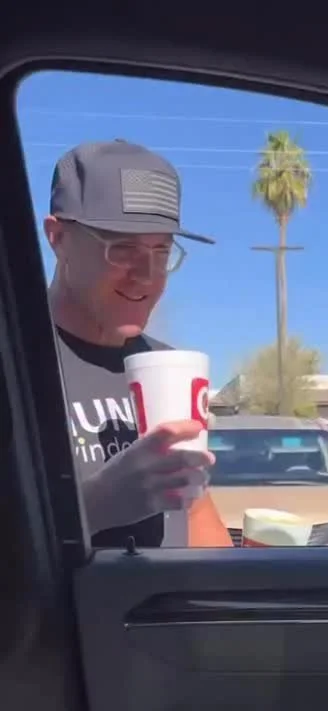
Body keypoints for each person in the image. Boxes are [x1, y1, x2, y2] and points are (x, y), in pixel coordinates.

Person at [45, 139, 230, 548]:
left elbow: (195, 513)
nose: (146, 275)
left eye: (161, 251)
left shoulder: (165, 366)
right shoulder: (17, 359)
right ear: (57, 237)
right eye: (122, 249)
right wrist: (93, 506)